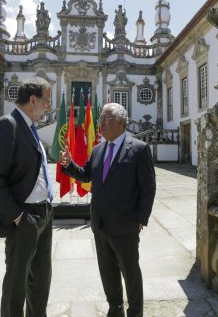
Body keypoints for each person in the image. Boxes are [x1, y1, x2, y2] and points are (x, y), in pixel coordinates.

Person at [59, 102, 156, 317]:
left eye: (106, 118)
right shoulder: (98, 149)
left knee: (130, 273)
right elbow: (86, 175)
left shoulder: (138, 149)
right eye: (101, 118)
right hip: (100, 223)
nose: (101, 122)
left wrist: (141, 218)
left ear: (121, 122)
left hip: (125, 225)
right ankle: (115, 308)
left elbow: (148, 188)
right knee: (108, 273)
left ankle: (136, 312)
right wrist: (68, 164)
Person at [0, 76, 54, 317]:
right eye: (47, 101)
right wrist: (17, 217)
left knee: (41, 279)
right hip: (24, 215)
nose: (49, 107)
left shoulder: (31, 129)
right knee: (17, 281)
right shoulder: (8, 125)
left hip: (44, 212)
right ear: (33, 99)